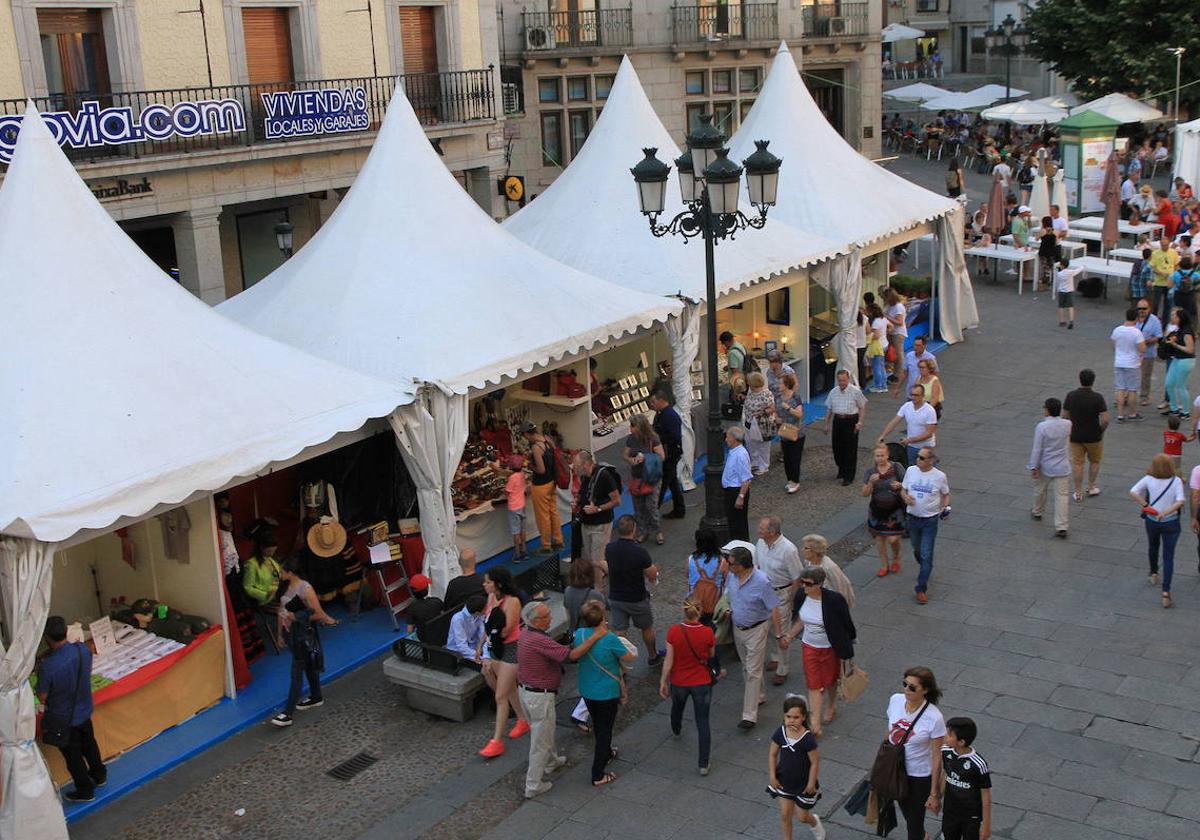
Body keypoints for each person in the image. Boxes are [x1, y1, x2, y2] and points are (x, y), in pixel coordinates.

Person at [517, 599, 609, 798]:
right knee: (540, 740)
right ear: (537, 621)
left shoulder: (527, 633)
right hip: (539, 695)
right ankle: (533, 785)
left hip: (526, 692)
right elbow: (571, 656)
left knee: (545, 730)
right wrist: (595, 637)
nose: (551, 618)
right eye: (546, 616)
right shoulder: (539, 640)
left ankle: (551, 762)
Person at [36, 615, 106, 802]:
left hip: (64, 717)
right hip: (84, 708)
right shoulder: (82, 649)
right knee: (90, 743)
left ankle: (85, 790)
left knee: (73, 756)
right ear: (66, 632)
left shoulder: (48, 666)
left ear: (47, 637)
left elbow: (42, 696)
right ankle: (99, 775)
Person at [781, 563, 856, 736]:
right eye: (802, 582)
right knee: (814, 684)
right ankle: (814, 723)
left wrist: (848, 646)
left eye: (808, 584)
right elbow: (801, 620)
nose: (804, 586)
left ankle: (830, 705)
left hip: (830, 647)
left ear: (819, 584)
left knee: (830, 681)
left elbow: (847, 623)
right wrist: (789, 636)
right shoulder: (801, 595)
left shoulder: (834, 600)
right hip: (810, 647)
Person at [720, 544, 783, 730]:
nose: (727, 564)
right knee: (747, 668)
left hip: (756, 629)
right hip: (737, 628)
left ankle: (749, 715)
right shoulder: (732, 576)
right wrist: (727, 607)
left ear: (741, 565)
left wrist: (779, 634)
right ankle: (760, 695)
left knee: (753, 671)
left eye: (730, 562)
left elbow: (774, 607)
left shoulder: (762, 582)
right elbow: (729, 594)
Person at [574, 599, 635, 786]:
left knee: (598, 724)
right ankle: (597, 774)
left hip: (587, 689)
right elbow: (629, 657)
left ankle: (607, 752)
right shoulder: (609, 639)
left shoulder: (580, 634)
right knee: (604, 731)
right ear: (602, 618)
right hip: (606, 692)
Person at [271, 559, 337, 727]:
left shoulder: (305, 589)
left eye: (282, 570)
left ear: (290, 572)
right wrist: (279, 634)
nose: (281, 573)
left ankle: (288, 712)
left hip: (303, 635)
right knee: (308, 665)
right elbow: (282, 611)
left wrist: (297, 617)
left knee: (297, 671)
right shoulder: (286, 587)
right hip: (292, 634)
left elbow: (318, 613)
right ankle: (316, 696)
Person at [887, 667, 947, 840]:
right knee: (909, 817)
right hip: (897, 770)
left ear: (925, 690)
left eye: (912, 687)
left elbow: (937, 756)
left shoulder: (934, 717)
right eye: (905, 684)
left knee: (914, 823)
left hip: (919, 776)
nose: (906, 690)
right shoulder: (895, 700)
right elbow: (889, 732)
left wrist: (934, 792)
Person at [659, 598, 717, 775]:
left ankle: (676, 727)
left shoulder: (674, 631)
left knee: (677, 707)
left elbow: (669, 660)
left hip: (679, 681)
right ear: (700, 612)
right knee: (703, 721)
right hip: (701, 682)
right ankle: (703, 764)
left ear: (684, 611)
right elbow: (711, 655)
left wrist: (663, 680)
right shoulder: (707, 632)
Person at [477, 567, 529, 758]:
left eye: (488, 582)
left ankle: (497, 741)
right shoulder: (491, 598)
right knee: (509, 689)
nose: (484, 585)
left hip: (510, 650)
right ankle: (523, 720)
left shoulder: (513, 601)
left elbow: (506, 630)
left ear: (497, 584)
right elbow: (488, 626)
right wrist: (481, 647)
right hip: (495, 648)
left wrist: (492, 633)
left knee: (500, 695)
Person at [1130, 454, 1186, 609]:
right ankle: (1166, 592)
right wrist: (1166, 512)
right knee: (1169, 557)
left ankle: (1153, 573)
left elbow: (1133, 491)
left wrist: (1146, 505)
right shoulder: (1176, 481)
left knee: (1153, 546)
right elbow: (1181, 501)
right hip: (1171, 523)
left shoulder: (1148, 479)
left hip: (1152, 521)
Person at [605, 514, 662, 665]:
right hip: (636, 597)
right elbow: (651, 573)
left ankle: (619, 663)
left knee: (619, 632)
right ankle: (652, 655)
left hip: (616, 597)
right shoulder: (639, 551)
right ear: (634, 529)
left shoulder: (610, 548)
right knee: (646, 628)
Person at [767, 696, 826, 840]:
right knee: (785, 815)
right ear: (784, 715)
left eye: (796, 717)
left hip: (803, 784)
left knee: (802, 817)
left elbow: (815, 762)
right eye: (788, 716)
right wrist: (773, 776)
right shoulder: (780, 733)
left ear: (803, 717)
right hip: (784, 781)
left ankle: (814, 822)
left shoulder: (807, 739)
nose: (791, 720)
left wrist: (811, 783)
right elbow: (772, 754)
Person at [756, 515, 804, 687]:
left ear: (772, 532)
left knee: (781, 632)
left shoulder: (788, 549)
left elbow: (797, 577)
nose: (758, 530)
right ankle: (776, 657)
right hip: (765, 592)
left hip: (781, 594)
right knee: (768, 628)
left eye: (762, 528)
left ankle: (783, 669)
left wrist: (792, 599)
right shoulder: (760, 543)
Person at [902, 448, 951, 604]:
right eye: (918, 457)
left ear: (930, 460)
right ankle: (925, 564)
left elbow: (946, 494)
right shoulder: (911, 470)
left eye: (922, 458)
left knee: (925, 553)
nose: (918, 460)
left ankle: (921, 588)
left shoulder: (939, 476)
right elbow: (903, 490)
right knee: (917, 550)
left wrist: (945, 507)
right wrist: (905, 497)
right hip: (912, 518)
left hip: (930, 520)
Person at [562, 557, 606, 731]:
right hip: (591, 636)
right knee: (596, 672)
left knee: (588, 671)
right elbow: (604, 611)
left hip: (575, 635)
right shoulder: (595, 595)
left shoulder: (567, 592)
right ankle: (581, 711)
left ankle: (584, 709)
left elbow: (568, 616)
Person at [935, 718, 993, 840]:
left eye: (949, 735)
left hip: (971, 816)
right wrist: (936, 797)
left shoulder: (978, 764)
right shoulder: (946, 751)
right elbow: (946, 773)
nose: (945, 736)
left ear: (961, 742)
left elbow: (986, 794)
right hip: (950, 812)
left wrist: (986, 824)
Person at [1063, 369, 1110, 502]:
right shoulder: (1097, 397)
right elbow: (1106, 419)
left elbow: (1065, 415)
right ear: (1093, 381)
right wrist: (1101, 430)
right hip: (1093, 436)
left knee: (1078, 463)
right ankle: (1091, 486)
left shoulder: (1071, 395)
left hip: (1075, 436)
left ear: (1080, 379)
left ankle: (1078, 492)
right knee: (1094, 461)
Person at [1029, 397, 1072, 539]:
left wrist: (1033, 466)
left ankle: (1037, 510)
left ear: (1047, 410)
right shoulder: (1067, 424)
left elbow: (1037, 448)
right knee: (1062, 496)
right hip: (1062, 465)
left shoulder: (1042, 427)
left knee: (1040, 490)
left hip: (1045, 464)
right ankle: (1062, 526)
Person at [519, 422, 564, 556]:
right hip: (552, 482)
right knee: (553, 512)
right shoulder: (547, 440)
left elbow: (541, 469)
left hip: (541, 485)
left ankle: (546, 545)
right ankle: (558, 540)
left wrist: (528, 464)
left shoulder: (536, 448)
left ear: (527, 434)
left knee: (542, 516)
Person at [864, 444, 907, 577]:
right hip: (877, 509)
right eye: (877, 456)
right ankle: (884, 565)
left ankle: (896, 557)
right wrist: (871, 483)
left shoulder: (896, 467)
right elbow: (864, 493)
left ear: (887, 455)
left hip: (894, 510)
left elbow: (908, 483)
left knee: (893, 539)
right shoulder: (870, 472)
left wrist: (900, 485)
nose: (880, 458)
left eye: (882, 455)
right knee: (880, 539)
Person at [623, 413, 666, 544]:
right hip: (637, 477)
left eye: (632, 425)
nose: (630, 428)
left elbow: (661, 456)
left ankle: (657, 531)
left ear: (640, 427)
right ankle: (643, 531)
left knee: (651, 505)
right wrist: (631, 460)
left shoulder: (653, 438)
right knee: (638, 506)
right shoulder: (631, 439)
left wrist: (646, 458)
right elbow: (625, 455)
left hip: (651, 477)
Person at [573, 450, 621, 563]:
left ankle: (609, 575)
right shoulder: (584, 476)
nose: (574, 469)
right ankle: (599, 577)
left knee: (597, 561)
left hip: (601, 524)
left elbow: (617, 501)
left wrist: (597, 509)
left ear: (585, 464)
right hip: (586, 523)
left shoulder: (604, 476)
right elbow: (583, 493)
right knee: (590, 558)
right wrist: (577, 501)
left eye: (576, 466)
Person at [823, 370, 868, 486]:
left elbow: (862, 407)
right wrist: (826, 424)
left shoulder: (855, 391)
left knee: (850, 449)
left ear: (848, 379)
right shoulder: (833, 392)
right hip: (838, 420)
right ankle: (841, 469)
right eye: (839, 380)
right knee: (837, 448)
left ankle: (849, 475)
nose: (842, 382)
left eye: (844, 380)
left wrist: (860, 422)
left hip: (851, 420)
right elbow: (829, 409)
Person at [879, 383, 938, 466]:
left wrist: (909, 440)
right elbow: (894, 422)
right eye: (912, 395)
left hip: (926, 447)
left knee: (927, 470)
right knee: (911, 470)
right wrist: (883, 435)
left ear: (923, 396)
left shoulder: (929, 411)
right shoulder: (907, 406)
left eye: (916, 395)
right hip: (911, 447)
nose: (913, 397)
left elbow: (929, 433)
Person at [650, 390, 687, 519]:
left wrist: (657, 438)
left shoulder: (669, 416)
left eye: (654, 401)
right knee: (672, 482)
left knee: (664, 483)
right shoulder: (661, 414)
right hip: (668, 453)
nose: (652, 404)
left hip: (670, 454)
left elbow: (674, 436)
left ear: (661, 400)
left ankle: (653, 512)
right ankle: (679, 509)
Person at [799, 534, 855, 607]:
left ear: (815, 551)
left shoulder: (829, 567)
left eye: (806, 548)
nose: (802, 550)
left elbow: (841, 588)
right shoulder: (808, 562)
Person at [1163, 307, 1197, 417]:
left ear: (1180, 318)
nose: (1172, 317)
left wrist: (1175, 345)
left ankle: (1185, 411)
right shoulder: (1178, 329)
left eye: (1174, 316)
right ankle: (1174, 408)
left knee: (1180, 385)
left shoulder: (1187, 332)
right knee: (1169, 383)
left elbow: (1190, 349)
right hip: (1177, 359)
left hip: (1185, 360)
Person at [687, 528, 725, 623]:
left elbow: (687, 575)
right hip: (714, 601)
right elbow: (726, 580)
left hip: (695, 602)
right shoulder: (722, 561)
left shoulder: (691, 559)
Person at [722, 426, 753, 540]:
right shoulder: (735, 452)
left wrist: (741, 497)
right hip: (732, 491)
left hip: (736, 491)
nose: (726, 439)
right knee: (734, 521)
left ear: (734, 438)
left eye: (728, 437)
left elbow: (746, 479)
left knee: (738, 523)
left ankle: (741, 544)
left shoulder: (740, 455)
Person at [777, 372, 807, 493]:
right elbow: (777, 410)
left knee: (795, 457)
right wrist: (776, 418)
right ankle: (790, 480)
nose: (778, 385)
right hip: (785, 431)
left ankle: (795, 481)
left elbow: (799, 414)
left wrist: (788, 408)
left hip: (796, 432)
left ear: (786, 384)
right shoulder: (779, 397)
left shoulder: (795, 397)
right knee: (787, 457)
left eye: (780, 383)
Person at [743, 370, 776, 476]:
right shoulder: (751, 392)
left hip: (761, 424)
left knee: (763, 446)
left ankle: (764, 465)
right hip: (749, 422)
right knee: (751, 443)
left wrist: (761, 413)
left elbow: (772, 408)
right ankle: (755, 462)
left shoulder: (766, 394)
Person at [242, 525, 282, 608]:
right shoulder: (251, 564)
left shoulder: (271, 561)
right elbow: (248, 587)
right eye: (269, 551)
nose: (272, 554)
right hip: (266, 599)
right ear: (261, 548)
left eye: (274, 551)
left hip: (277, 594)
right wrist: (266, 594)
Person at [1135, 297, 1163, 407]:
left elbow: (1159, 336)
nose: (1142, 310)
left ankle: (1144, 396)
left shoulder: (1154, 320)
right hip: (1134, 352)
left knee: (1145, 375)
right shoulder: (1134, 318)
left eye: (1144, 308)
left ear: (1149, 308)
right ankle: (1126, 395)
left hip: (1148, 352)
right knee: (1131, 374)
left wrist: (1147, 341)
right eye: (1139, 308)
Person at [405, 573, 446, 646]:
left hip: (424, 640)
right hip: (441, 637)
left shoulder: (411, 608)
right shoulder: (437, 601)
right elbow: (444, 616)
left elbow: (409, 630)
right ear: (427, 588)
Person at [502, 455, 529, 563]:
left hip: (513, 507)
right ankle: (525, 551)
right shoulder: (522, 475)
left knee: (515, 532)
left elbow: (507, 491)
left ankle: (517, 554)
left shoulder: (512, 478)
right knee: (522, 530)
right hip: (522, 505)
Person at [445, 594, 487, 661]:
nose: (486, 610)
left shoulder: (479, 615)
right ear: (477, 612)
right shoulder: (458, 619)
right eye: (485, 609)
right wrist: (480, 657)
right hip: (457, 651)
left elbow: (483, 635)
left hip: (472, 645)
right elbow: (461, 646)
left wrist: (486, 655)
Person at [443, 549, 485, 613]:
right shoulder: (485, 581)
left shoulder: (453, 585)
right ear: (475, 562)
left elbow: (447, 609)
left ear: (459, 562)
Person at [1150, 238, 1181, 322]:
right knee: (1156, 304)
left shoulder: (1173, 252)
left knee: (1168, 305)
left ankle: (1165, 322)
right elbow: (1152, 267)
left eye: (1166, 245)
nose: (1165, 247)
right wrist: (1160, 273)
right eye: (1163, 245)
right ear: (1160, 244)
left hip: (1169, 283)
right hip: (1159, 283)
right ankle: (1154, 321)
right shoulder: (1155, 253)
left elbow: (1177, 265)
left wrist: (1175, 274)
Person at [882, 288, 908, 378]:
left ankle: (899, 374)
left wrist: (887, 317)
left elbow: (900, 322)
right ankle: (895, 373)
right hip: (892, 332)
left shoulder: (898, 307)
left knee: (899, 354)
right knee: (895, 354)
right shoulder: (890, 306)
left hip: (898, 333)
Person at [1035, 216, 1059, 293]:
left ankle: (1043, 283)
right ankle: (1048, 283)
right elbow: (1057, 242)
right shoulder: (1055, 231)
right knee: (1050, 267)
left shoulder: (1043, 231)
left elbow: (1036, 238)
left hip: (1043, 252)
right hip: (1052, 252)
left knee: (1045, 268)